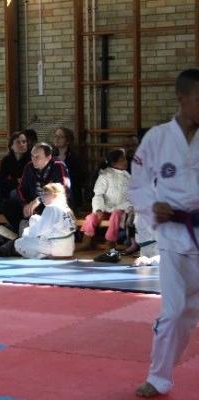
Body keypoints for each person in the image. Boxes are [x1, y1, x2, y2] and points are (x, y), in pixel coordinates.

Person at [129, 68, 199, 398]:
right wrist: (152, 204)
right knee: (173, 312)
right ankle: (159, 378)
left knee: (188, 316)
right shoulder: (157, 138)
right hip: (172, 236)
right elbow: (138, 184)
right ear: (181, 98)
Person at [1, 142, 70, 234]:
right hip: (33, 206)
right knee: (7, 205)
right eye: (32, 156)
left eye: (37, 157)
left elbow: (62, 191)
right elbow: (21, 189)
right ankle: (24, 230)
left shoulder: (58, 165)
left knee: (51, 209)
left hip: (52, 205)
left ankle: (31, 231)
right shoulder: (29, 166)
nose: (33, 159)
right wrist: (25, 205)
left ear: (48, 157)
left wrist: (39, 200)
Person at [78, 148, 131, 251]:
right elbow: (98, 195)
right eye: (122, 160)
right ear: (114, 163)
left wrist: (126, 207)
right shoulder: (105, 176)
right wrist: (99, 209)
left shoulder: (128, 177)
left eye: (125, 159)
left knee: (116, 215)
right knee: (91, 217)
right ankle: (86, 241)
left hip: (121, 209)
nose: (126, 161)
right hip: (106, 208)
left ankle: (111, 242)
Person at [14, 183, 76, 259]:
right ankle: (43, 254)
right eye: (42, 194)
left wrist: (25, 233)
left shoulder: (51, 208)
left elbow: (38, 231)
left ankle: (42, 256)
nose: (43, 197)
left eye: (46, 194)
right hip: (69, 249)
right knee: (34, 218)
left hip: (56, 248)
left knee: (19, 243)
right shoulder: (66, 208)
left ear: (55, 195)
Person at [0, 131, 31, 213]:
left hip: (26, 188)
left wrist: (15, 181)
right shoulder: (7, 159)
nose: (22, 144)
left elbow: (27, 181)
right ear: (11, 146)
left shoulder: (31, 159)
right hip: (12, 185)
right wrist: (15, 181)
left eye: (24, 142)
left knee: (13, 193)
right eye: (18, 142)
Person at [52, 127, 85, 211]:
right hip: (53, 191)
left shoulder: (74, 158)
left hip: (69, 193)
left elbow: (78, 180)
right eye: (55, 136)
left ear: (68, 141)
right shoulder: (50, 156)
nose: (57, 139)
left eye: (61, 136)